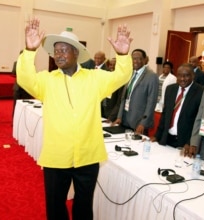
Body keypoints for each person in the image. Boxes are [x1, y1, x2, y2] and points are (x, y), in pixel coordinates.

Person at [16, 18, 133, 220]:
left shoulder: (95, 78)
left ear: (76, 53)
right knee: (55, 206)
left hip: (88, 156)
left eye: (63, 50)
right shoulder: (46, 80)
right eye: (55, 51)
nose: (58, 54)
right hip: (56, 156)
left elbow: (121, 77)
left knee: (83, 205)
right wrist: (29, 50)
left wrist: (122, 55)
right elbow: (25, 78)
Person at [151, 63, 204, 148]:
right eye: (179, 75)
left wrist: (190, 143)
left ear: (193, 76)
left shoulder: (201, 92)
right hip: (167, 139)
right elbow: (165, 115)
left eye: (186, 76)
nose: (182, 79)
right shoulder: (170, 89)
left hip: (184, 143)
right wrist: (157, 136)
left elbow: (199, 121)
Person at [112, 49, 158, 135]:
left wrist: (143, 123)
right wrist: (119, 116)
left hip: (139, 123)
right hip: (125, 119)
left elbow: (151, 102)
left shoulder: (151, 76)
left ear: (145, 59)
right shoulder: (130, 73)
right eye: (134, 58)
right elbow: (124, 97)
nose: (136, 61)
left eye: (139, 58)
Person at [102, 58, 125, 122]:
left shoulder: (121, 81)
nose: (112, 67)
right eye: (110, 65)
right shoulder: (106, 77)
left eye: (114, 65)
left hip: (112, 116)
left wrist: (111, 117)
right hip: (103, 112)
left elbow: (119, 102)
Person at [12, 50, 33, 116]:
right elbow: (13, 72)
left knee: (27, 105)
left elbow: (32, 73)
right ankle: (14, 121)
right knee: (16, 105)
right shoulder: (16, 63)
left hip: (27, 87)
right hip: (18, 87)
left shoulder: (31, 63)